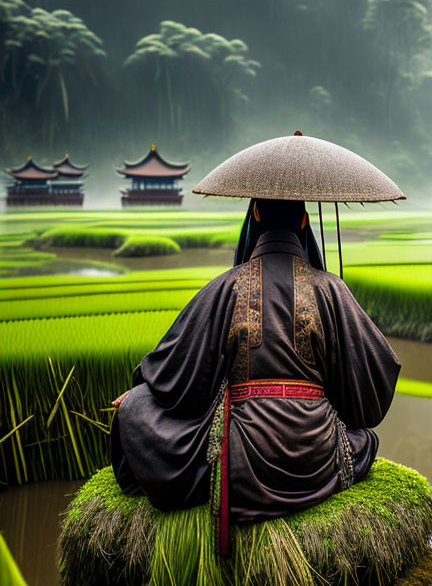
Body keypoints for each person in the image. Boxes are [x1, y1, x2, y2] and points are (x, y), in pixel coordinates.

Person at [110, 198, 401, 534]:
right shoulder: (331, 288)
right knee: (365, 439)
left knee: (134, 408)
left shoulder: (225, 286)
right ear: (304, 222)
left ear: (257, 215)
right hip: (316, 455)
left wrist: (140, 389)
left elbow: (177, 377)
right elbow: (376, 380)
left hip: (240, 458)